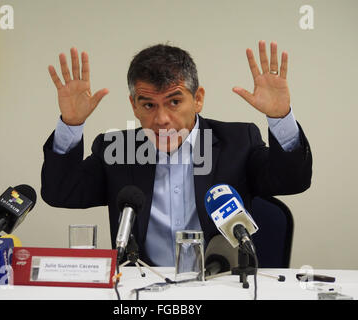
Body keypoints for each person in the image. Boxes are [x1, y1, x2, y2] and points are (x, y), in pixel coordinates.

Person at [41, 42, 312, 266]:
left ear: (198, 99)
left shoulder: (238, 142)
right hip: (140, 290)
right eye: (148, 105)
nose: (162, 119)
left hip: (219, 286)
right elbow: (61, 192)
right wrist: (71, 124)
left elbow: (292, 181)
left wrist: (280, 118)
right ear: (134, 106)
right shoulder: (116, 150)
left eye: (174, 102)